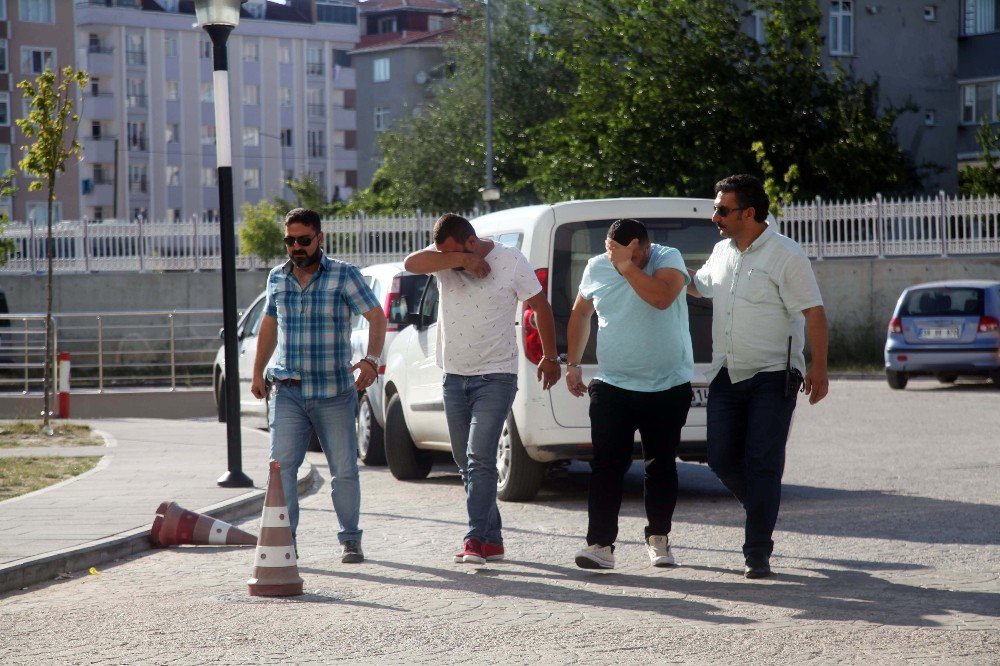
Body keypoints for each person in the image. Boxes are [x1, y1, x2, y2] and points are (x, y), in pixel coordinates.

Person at [688, 174, 829, 579]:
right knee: (720, 457)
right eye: (716, 208)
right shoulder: (721, 251)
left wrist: (818, 366)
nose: (715, 216)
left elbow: (814, 313)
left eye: (722, 209)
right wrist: (662, 270)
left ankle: (757, 552)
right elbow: (699, 287)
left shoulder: (786, 254)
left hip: (774, 374)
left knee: (762, 462)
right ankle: (762, 507)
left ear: (749, 213)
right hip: (726, 373)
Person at [404, 213, 561, 564]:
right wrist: (460, 259)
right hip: (453, 376)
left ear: (473, 240)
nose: (447, 261)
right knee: (464, 461)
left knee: (479, 458)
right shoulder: (449, 256)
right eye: (443, 255)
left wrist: (550, 357)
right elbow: (410, 263)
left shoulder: (510, 260)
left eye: (456, 253)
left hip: (496, 375)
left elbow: (540, 306)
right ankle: (493, 538)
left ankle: (475, 538)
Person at [250, 207, 386, 564]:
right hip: (288, 390)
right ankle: (285, 542)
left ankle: (350, 539)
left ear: (319, 238)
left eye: (304, 240)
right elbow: (268, 325)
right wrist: (256, 372)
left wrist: (371, 360)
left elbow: (376, 315)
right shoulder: (277, 278)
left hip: (334, 392)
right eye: (290, 241)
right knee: (281, 471)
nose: (296, 247)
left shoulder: (344, 276)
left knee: (344, 471)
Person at [565, 219, 694, 570]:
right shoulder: (597, 266)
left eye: (627, 254)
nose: (616, 259)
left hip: (667, 384)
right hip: (613, 385)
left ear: (644, 247)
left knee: (661, 464)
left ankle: (658, 538)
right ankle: (600, 545)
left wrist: (625, 266)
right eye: (611, 252)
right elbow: (580, 311)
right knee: (606, 465)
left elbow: (661, 298)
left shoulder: (668, 258)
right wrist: (573, 363)